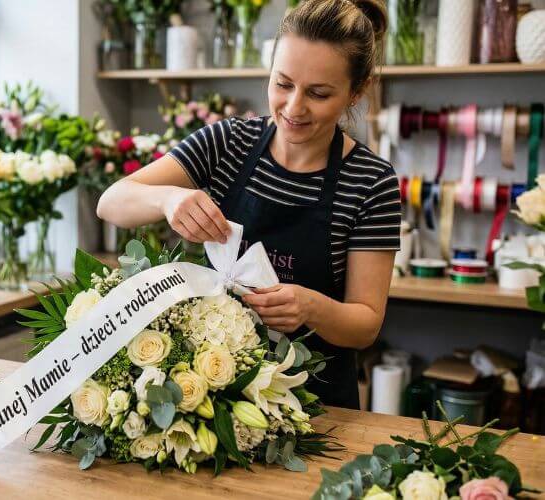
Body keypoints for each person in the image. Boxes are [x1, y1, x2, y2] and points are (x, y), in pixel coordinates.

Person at [96, 0, 401, 409]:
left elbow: (365, 324)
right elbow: (111, 202)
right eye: (283, 83)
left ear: (356, 91)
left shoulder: (371, 182)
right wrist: (168, 198)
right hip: (210, 399)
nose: (293, 108)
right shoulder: (228, 144)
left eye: (319, 93)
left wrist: (310, 307)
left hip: (319, 411)